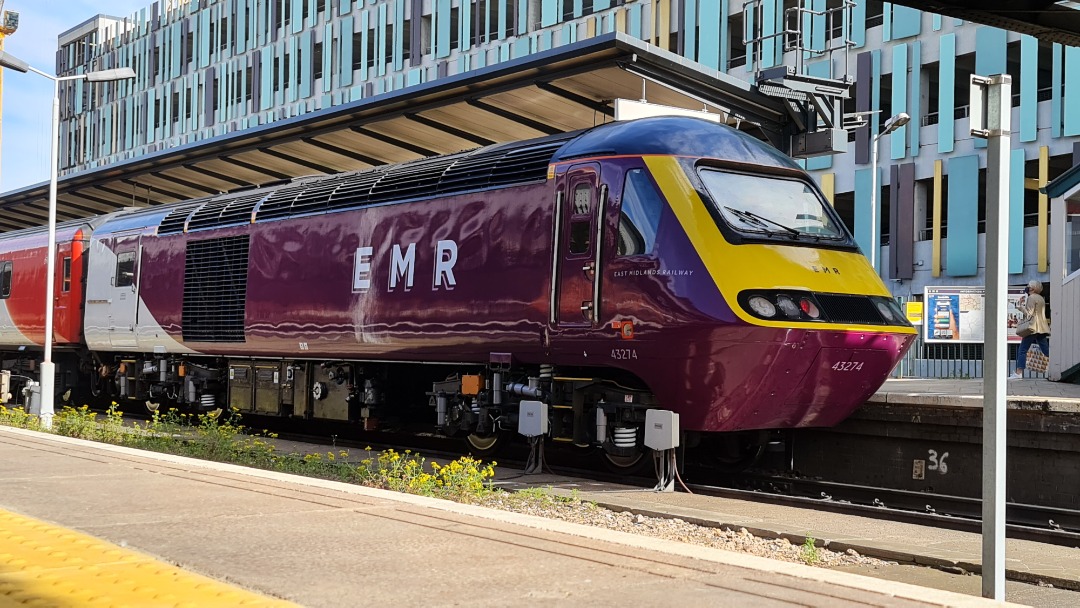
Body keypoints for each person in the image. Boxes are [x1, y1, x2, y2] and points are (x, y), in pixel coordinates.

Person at [1010, 280, 1050, 379]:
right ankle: (1055, 368)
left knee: (1023, 349)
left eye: (1028, 286)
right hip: (1041, 327)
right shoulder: (1041, 298)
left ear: (1032, 288)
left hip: (1032, 327)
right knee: (1046, 350)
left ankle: (1019, 373)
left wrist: (1020, 307)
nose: (1027, 287)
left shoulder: (1031, 297)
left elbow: (1029, 314)